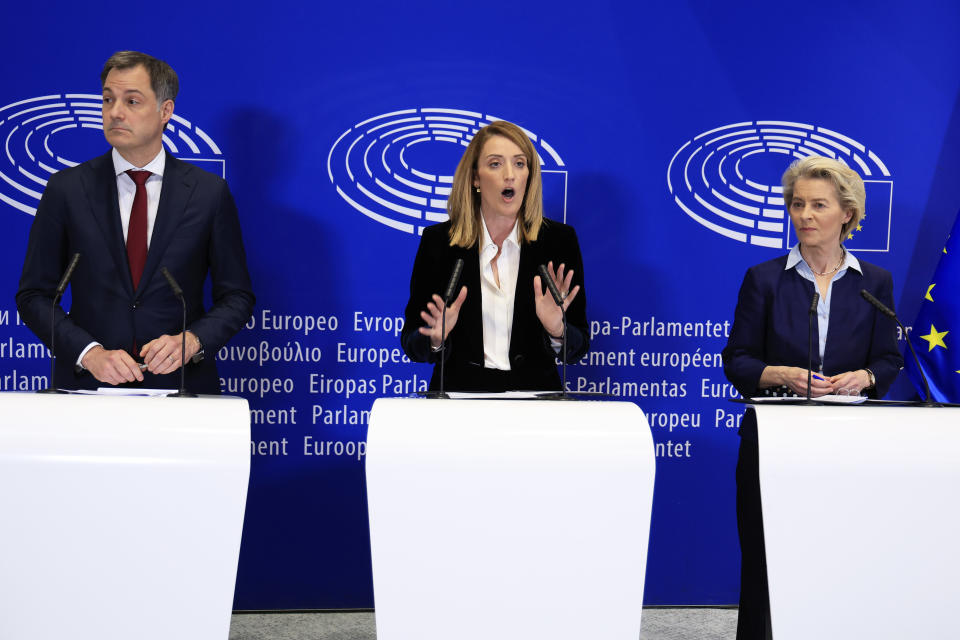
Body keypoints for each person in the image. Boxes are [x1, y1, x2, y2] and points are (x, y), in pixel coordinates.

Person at [721, 155, 903, 639]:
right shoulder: (764, 278)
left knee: (839, 560)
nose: (804, 215)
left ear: (847, 213)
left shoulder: (875, 283)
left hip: (850, 446)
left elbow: (889, 359)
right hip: (773, 445)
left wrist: (864, 375)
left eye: (818, 205)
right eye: (797, 204)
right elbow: (736, 359)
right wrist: (776, 372)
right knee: (765, 561)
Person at [16, 51, 254, 393]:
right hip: (87, 389)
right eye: (108, 99)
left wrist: (192, 341)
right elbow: (34, 295)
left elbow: (237, 296)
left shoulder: (207, 193)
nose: (115, 112)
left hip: (181, 390)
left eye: (131, 101)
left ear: (165, 111)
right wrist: (89, 353)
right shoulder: (67, 188)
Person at [401, 120, 589, 392]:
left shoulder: (558, 242)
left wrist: (558, 331)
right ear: (475, 177)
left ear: (529, 176)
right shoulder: (439, 243)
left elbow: (579, 346)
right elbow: (412, 343)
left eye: (520, 163)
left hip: (535, 403)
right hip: (460, 400)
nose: (510, 175)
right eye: (495, 164)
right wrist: (434, 338)